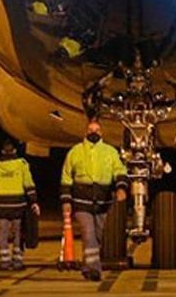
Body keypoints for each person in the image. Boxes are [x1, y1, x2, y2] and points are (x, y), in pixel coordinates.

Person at [60, 119, 129, 281]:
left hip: (103, 202)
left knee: (97, 236)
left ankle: (87, 264)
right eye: (91, 129)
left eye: (97, 130)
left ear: (101, 133)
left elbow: (119, 171)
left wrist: (121, 188)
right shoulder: (75, 152)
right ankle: (94, 269)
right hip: (81, 201)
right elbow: (66, 178)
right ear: (85, 132)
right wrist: (66, 201)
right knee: (88, 233)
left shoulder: (110, 152)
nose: (94, 132)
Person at [0, 139, 39, 270]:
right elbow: (29, 184)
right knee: (19, 233)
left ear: (2, 151)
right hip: (18, 205)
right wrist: (34, 201)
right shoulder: (22, 164)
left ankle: (4, 261)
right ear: (15, 151)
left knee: (3, 233)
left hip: (0, 205)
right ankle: (18, 261)